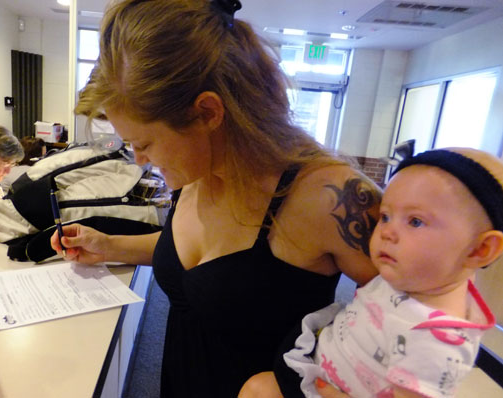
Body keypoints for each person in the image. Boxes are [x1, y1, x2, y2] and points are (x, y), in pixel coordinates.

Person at [50, 0, 381, 396]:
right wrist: (107, 245)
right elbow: (202, 259)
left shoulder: (329, 197)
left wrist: (321, 384)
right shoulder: (195, 170)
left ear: (208, 112)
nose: (139, 158)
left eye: (145, 142)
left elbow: (427, 313)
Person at [240, 148, 503, 398]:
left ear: (480, 249)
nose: (386, 231)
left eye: (415, 221)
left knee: (258, 390)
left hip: (320, 388)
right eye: (386, 216)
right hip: (315, 356)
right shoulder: (418, 277)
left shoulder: (437, 342)